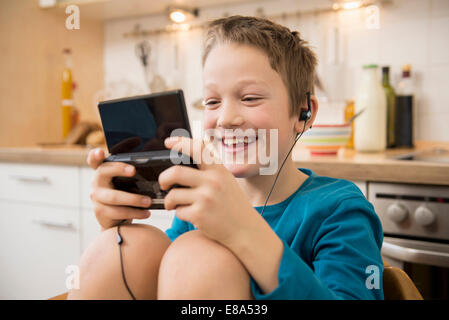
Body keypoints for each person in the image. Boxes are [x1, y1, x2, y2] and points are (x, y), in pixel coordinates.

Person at [67, 15, 383, 300]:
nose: (225, 119)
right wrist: (118, 226)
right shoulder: (199, 201)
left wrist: (242, 229)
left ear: (303, 112)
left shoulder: (339, 209)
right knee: (123, 247)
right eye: (212, 101)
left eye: (249, 98)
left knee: (198, 253)